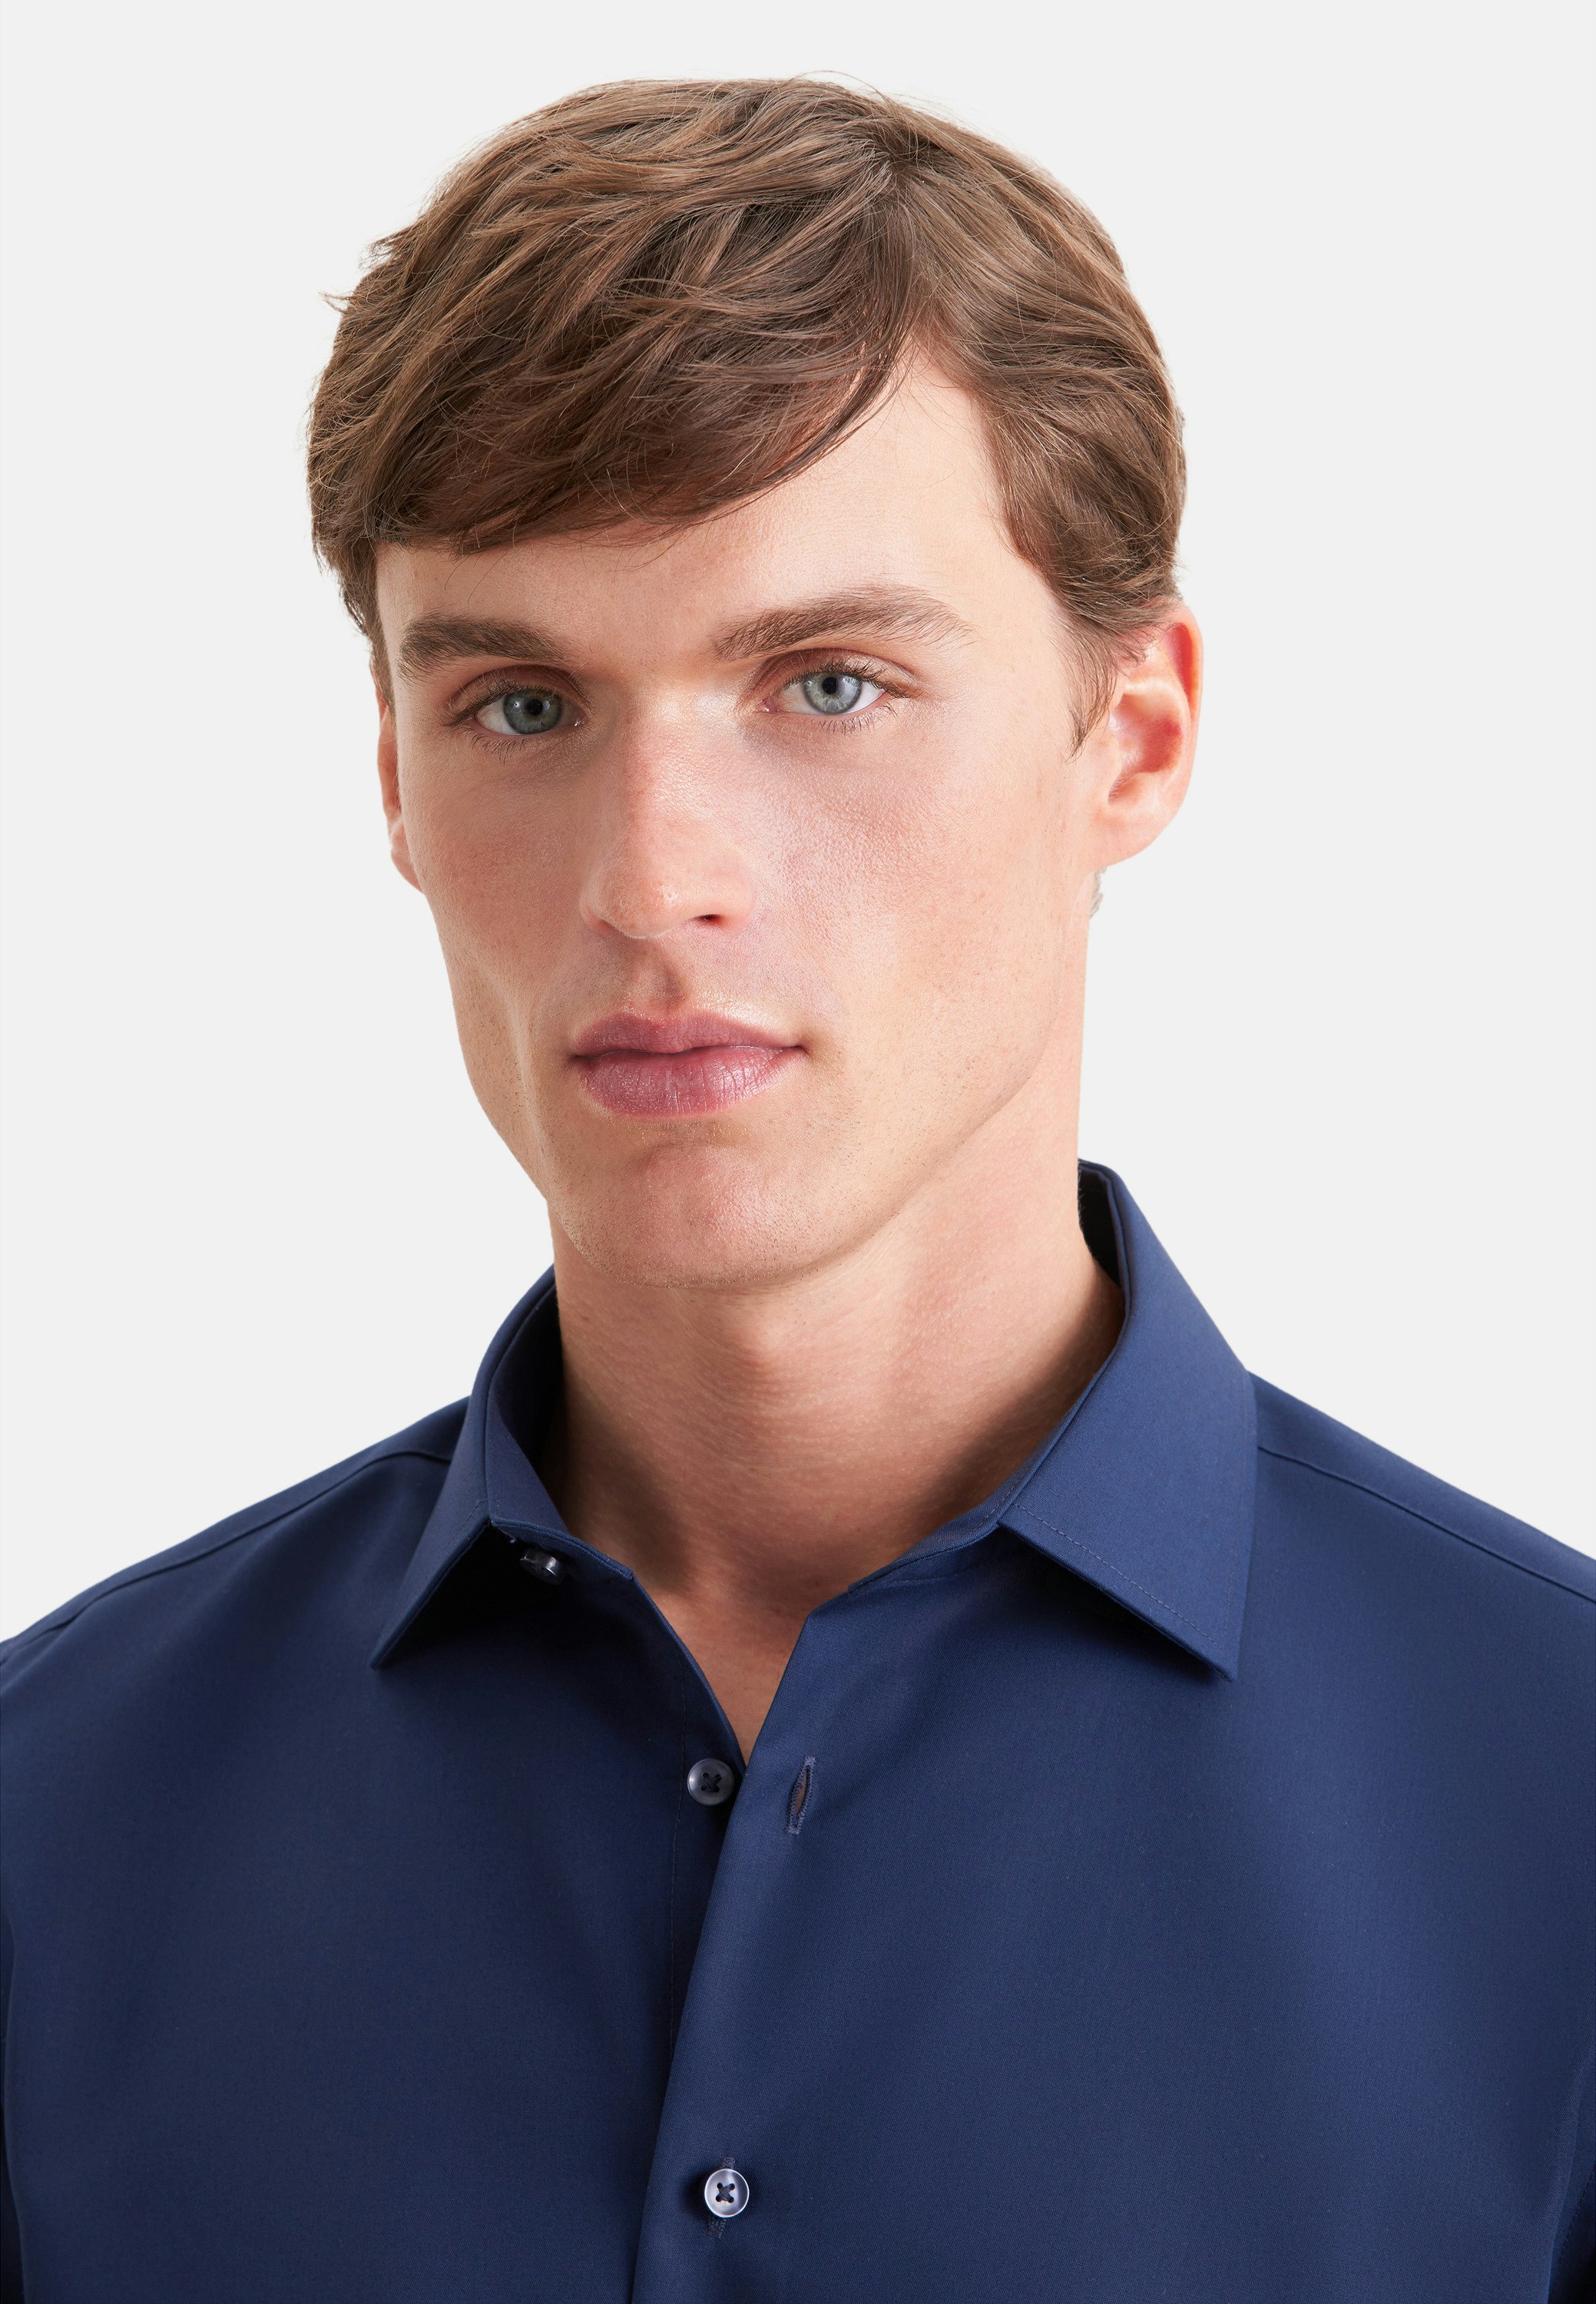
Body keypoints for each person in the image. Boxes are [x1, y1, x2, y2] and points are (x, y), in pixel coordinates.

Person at [1, 78, 1590, 2304]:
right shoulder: (48, 1820)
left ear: (1132, 736)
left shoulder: (1559, 1809)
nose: (656, 881)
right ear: (395, 782)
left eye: (828, 683)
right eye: (524, 707)